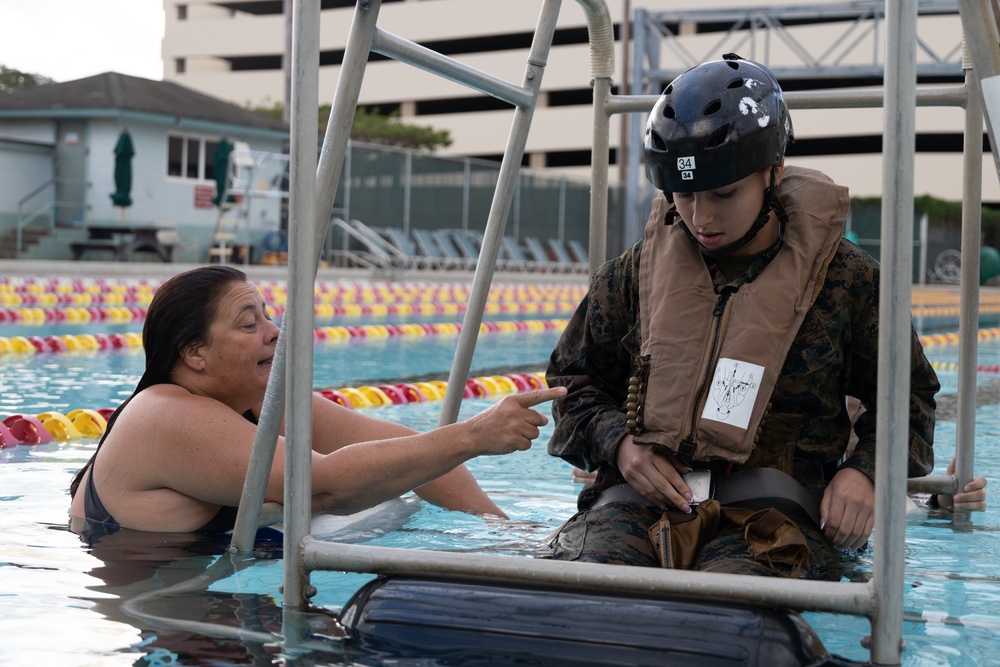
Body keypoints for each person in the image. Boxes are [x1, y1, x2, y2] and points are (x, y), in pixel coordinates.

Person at [546, 54, 985, 578]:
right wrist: (618, 445)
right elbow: (572, 384)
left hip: (775, 513)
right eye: (683, 195)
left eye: (724, 193)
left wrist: (866, 473)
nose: (701, 217)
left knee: (732, 620)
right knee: (583, 594)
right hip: (637, 503)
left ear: (772, 173)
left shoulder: (848, 283)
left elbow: (908, 398)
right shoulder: (631, 275)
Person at [68, 265, 565, 536]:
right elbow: (325, 488)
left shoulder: (259, 397)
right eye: (249, 323)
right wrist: (474, 435)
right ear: (194, 353)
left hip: (218, 579)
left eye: (266, 316)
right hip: (166, 603)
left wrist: (506, 534)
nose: (273, 332)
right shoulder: (166, 415)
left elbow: (416, 450)